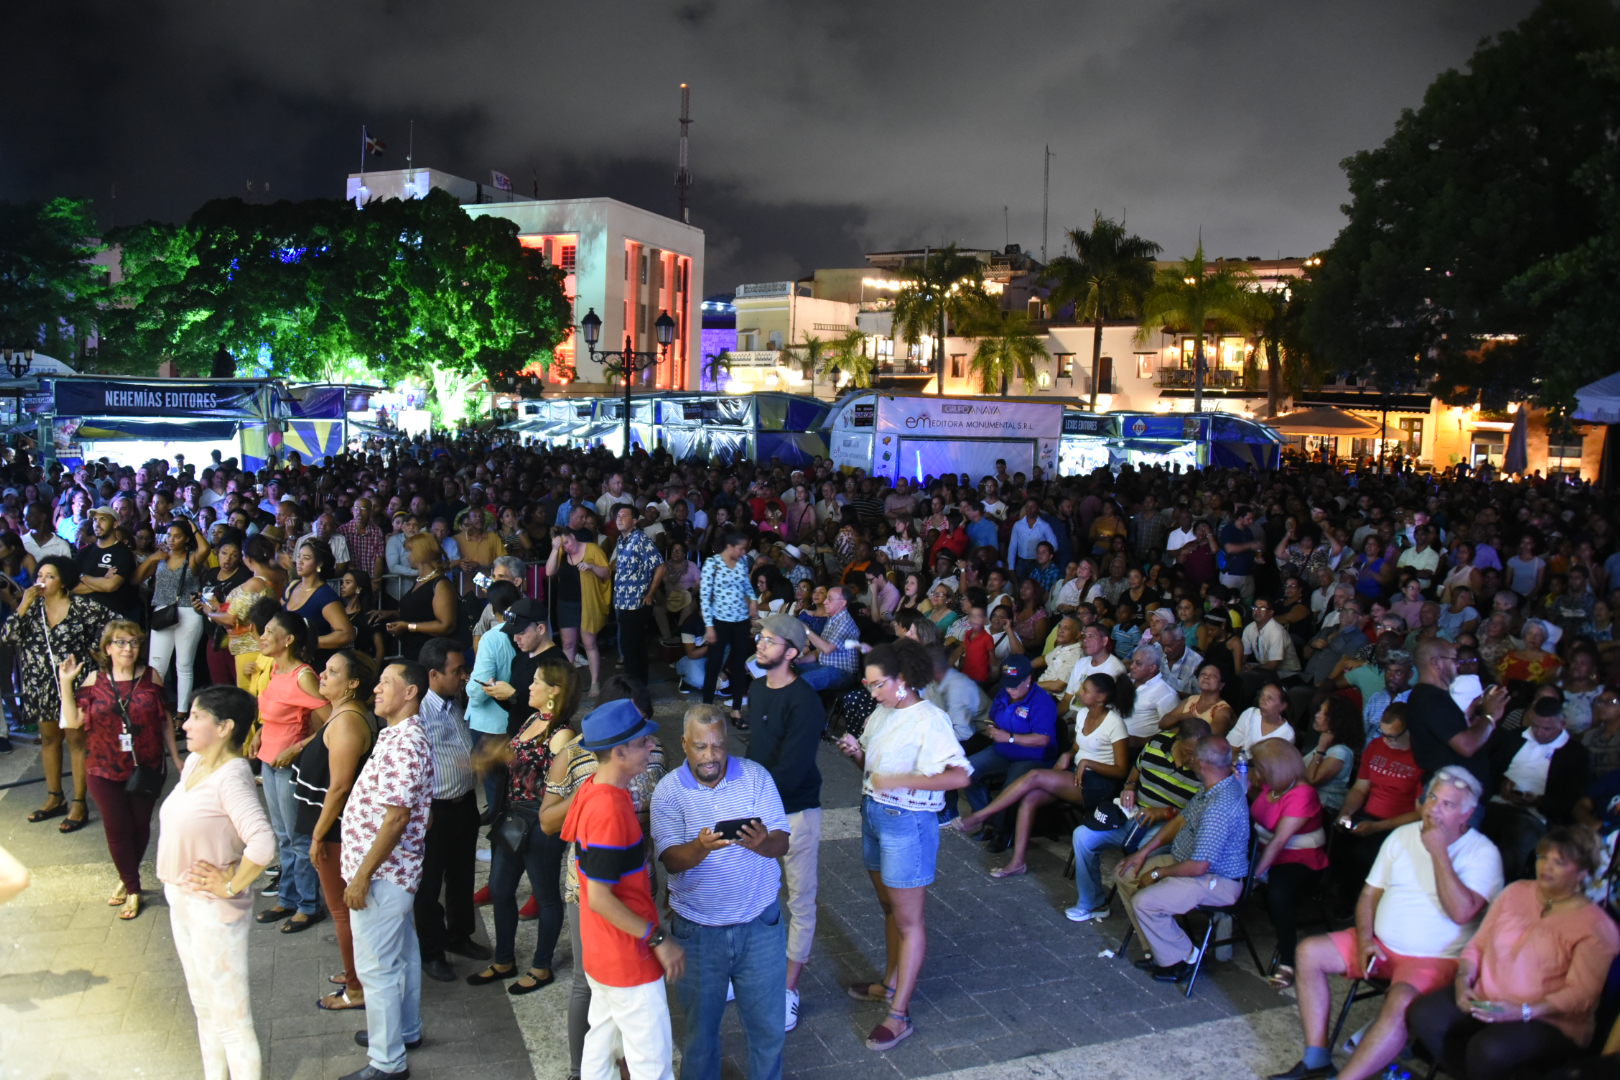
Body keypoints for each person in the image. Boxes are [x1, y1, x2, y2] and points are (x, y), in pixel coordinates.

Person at [1268, 765, 1504, 1080]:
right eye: (1432, 798)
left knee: (1402, 999)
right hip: (1379, 945)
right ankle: (1316, 1058)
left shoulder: (1482, 852)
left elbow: (1463, 913)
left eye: (1448, 804)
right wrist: (1365, 940)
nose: (1434, 808)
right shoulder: (1403, 835)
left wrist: (1438, 853)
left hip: (1434, 958)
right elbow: (1369, 895)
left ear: (1467, 813)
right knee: (1309, 951)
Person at [836, 639, 970, 1051]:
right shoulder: (882, 712)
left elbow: (960, 777)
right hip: (875, 815)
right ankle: (889, 983)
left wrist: (901, 781)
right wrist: (857, 754)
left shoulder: (930, 720)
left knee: (909, 921)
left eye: (877, 684)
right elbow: (875, 771)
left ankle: (899, 1015)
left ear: (903, 681)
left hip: (908, 823)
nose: (871, 693)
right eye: (869, 684)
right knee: (888, 907)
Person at [1407, 827, 1620, 1080]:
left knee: (1488, 1049)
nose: (1546, 867)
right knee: (1424, 1014)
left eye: (1559, 863)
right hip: (1486, 998)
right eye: (1543, 858)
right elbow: (1478, 945)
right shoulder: (1515, 892)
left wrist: (1523, 1012)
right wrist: (1463, 982)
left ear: (1583, 872)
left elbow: (1579, 996)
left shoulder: (1596, 927)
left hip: (1548, 1020)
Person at [652, 704, 791, 1080]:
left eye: (717, 746)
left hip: (760, 924)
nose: (710, 756)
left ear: (726, 741)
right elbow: (671, 860)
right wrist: (700, 847)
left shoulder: (756, 777)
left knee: (767, 1029)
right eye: (700, 747)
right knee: (699, 1037)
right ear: (684, 744)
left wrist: (761, 843)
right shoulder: (667, 792)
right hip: (698, 932)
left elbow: (782, 842)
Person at [560, 698, 686, 1080]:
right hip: (627, 957)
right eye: (643, 741)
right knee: (652, 1064)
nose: (653, 746)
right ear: (619, 752)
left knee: (600, 1043)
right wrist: (658, 937)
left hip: (600, 953)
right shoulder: (610, 809)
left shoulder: (590, 793)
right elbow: (598, 897)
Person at [156, 685, 275, 1080]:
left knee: (231, 1019)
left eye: (196, 716)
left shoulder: (232, 777)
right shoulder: (195, 762)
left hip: (213, 910)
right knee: (204, 1007)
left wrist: (230, 884)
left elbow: (262, 842)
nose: (185, 724)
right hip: (183, 899)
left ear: (225, 727)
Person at [341, 660, 437, 1080]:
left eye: (386, 683)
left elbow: (397, 818)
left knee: (377, 970)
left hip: (383, 877)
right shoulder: (398, 736)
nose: (376, 689)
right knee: (403, 955)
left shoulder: (404, 743)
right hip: (394, 873)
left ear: (410, 692)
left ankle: (387, 1061)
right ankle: (405, 1031)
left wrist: (362, 875)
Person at [467, 658, 577, 995]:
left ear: (554, 693)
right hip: (513, 815)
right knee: (500, 889)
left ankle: (541, 966)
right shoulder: (532, 719)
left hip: (540, 821)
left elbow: (564, 786)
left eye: (536, 682)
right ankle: (504, 960)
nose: (529, 686)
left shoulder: (562, 735)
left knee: (545, 896)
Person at [57, 618, 178, 921]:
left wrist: (176, 757)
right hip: (103, 767)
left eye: (134, 642)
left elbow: (164, 720)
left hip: (147, 765)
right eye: (121, 642)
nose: (128, 648)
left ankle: (126, 877)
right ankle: (134, 888)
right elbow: (72, 721)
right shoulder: (93, 681)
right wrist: (65, 683)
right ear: (108, 648)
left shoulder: (152, 677)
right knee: (116, 829)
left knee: (139, 827)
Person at [742, 614, 828, 1033]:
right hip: (756, 811)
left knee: (799, 900)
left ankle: (789, 989)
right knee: (754, 893)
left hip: (794, 813)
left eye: (771, 641)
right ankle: (751, 972)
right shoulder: (757, 688)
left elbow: (792, 769)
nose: (761, 645)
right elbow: (754, 747)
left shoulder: (806, 702)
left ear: (791, 653)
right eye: (760, 638)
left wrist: (753, 803)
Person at [1114, 735, 1252, 983]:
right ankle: (1159, 950)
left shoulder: (1220, 805)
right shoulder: (1212, 786)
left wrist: (1157, 874)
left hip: (1216, 879)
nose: (1189, 761)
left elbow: (1200, 866)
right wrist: (1143, 852)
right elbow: (1181, 820)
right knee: (1125, 874)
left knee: (1145, 902)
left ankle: (1185, 957)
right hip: (1187, 863)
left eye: (1193, 758)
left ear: (1203, 764)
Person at [295, 649, 378, 1013]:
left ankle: (356, 987)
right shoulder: (342, 715)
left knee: (342, 911)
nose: (322, 676)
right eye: (324, 669)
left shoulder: (347, 722)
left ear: (353, 683)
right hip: (332, 829)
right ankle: (353, 972)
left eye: (332, 672)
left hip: (335, 832)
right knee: (343, 910)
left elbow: (340, 786)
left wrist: (317, 835)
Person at [1066, 715, 1211, 923]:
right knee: (1083, 836)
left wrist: (1164, 812)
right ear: (1177, 738)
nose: (1192, 759)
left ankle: (1147, 914)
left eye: (1197, 753)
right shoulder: (1157, 743)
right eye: (1189, 752)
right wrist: (1130, 786)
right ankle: (1093, 902)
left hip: (1169, 827)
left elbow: (1198, 817)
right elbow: (1136, 770)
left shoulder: (1205, 767)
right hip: (1134, 814)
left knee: (1140, 845)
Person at [3, 555, 109, 831]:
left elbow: (114, 625)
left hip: (73, 685)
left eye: (50, 576)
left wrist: (97, 654)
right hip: (40, 684)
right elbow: (7, 636)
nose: (43, 581)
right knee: (49, 739)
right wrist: (23, 603)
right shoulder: (32, 609)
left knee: (76, 741)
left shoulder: (81, 606)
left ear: (63, 582)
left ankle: (78, 802)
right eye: (40, 576)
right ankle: (54, 797)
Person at [412, 637, 489, 982]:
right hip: (434, 812)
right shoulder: (417, 712)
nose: (464, 676)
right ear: (433, 674)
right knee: (428, 885)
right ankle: (432, 951)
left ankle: (460, 936)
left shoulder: (453, 701)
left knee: (461, 875)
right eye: (457, 671)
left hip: (464, 804)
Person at [250, 610, 329, 933]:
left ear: (289, 639)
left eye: (269, 631)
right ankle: (288, 898)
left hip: (289, 766)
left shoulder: (302, 675)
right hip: (269, 762)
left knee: (297, 837)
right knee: (282, 835)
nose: (263, 637)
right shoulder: (275, 671)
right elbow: (272, 713)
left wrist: (297, 747)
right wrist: (259, 733)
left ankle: (309, 906)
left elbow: (332, 720)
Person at [1248, 740, 1330, 989]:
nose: (1256, 773)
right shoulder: (1271, 785)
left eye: (1260, 768)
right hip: (1265, 850)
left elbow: (1280, 841)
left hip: (1300, 859)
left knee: (1278, 894)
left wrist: (1253, 877)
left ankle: (1288, 961)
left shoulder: (1302, 794)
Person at [958, 654, 1059, 833]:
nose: (1010, 689)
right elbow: (992, 717)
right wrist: (991, 728)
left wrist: (1010, 737)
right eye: (1007, 684)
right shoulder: (1003, 693)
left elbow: (1042, 739)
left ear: (1028, 679)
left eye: (1015, 685)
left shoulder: (1042, 701)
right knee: (966, 770)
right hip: (1002, 750)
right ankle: (984, 815)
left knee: (1010, 788)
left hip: (1033, 757)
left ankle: (1001, 832)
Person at [136, 518, 211, 718]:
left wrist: (193, 527)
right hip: (163, 611)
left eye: (177, 536)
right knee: (156, 664)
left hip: (187, 612)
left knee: (184, 665)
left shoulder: (191, 557)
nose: (171, 539)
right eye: (169, 535)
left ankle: (181, 712)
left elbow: (205, 549)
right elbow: (136, 579)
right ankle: (156, 710)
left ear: (186, 539)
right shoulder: (160, 558)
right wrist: (151, 559)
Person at [699, 530, 759, 715]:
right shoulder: (712, 564)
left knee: (740, 664)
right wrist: (709, 626)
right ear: (730, 547)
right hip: (720, 621)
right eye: (740, 549)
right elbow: (704, 597)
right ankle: (707, 705)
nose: (743, 552)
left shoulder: (741, 563)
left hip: (741, 621)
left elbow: (747, 586)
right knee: (714, 663)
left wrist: (754, 601)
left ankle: (736, 708)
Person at [548, 526, 611, 698]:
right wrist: (555, 549)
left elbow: (606, 572)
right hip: (566, 603)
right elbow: (549, 571)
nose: (566, 546)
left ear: (573, 536)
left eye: (567, 542)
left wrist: (591, 566)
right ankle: (566, 684)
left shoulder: (592, 549)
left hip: (587, 602)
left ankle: (594, 682)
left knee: (589, 643)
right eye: (563, 544)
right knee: (568, 645)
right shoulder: (560, 552)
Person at [383, 534, 459, 664]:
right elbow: (422, 612)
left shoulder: (440, 584)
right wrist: (392, 614)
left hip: (431, 657)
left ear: (421, 553)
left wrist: (408, 626)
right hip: (415, 653)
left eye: (411, 551)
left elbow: (446, 625)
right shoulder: (421, 581)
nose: (408, 556)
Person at [610, 504, 664, 686]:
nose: (619, 519)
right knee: (628, 647)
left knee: (634, 648)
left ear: (634, 521)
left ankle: (637, 688)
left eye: (624, 516)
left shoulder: (640, 539)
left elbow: (660, 566)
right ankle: (635, 686)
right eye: (617, 516)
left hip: (637, 603)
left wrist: (650, 594)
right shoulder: (621, 541)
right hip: (622, 601)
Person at [282, 537, 356, 671]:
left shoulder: (324, 595)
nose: (300, 561)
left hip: (313, 665)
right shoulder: (292, 586)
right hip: (289, 662)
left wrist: (312, 643)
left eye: (306, 558)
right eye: (299, 557)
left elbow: (346, 634)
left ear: (319, 564)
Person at [74, 505, 141, 620]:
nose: (97, 524)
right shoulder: (84, 552)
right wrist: (102, 580)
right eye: (95, 520)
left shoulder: (123, 553)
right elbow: (72, 587)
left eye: (103, 519)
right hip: (82, 615)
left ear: (115, 524)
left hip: (112, 617)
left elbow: (111, 586)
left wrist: (83, 577)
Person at [1303, 696, 1362, 815]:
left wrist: (1320, 750)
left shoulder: (1340, 752)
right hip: (1306, 801)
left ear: (1336, 720)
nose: (1316, 715)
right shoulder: (1326, 744)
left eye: (1323, 713)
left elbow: (1311, 780)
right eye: (1319, 710)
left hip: (1322, 809)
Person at [1228, 682, 1296, 755]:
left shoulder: (1287, 733)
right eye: (1262, 696)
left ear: (1283, 706)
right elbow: (1231, 746)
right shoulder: (1250, 714)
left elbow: (1271, 763)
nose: (1263, 700)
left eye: (1270, 698)